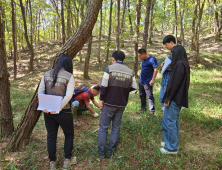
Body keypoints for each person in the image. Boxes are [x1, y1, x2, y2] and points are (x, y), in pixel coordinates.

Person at [96, 51, 137, 158]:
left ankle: (101, 152)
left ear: (113, 59)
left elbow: (104, 86)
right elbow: (134, 86)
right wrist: (123, 91)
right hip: (122, 103)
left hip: (109, 102)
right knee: (116, 127)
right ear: (123, 60)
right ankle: (111, 151)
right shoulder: (130, 72)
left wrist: (101, 99)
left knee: (104, 127)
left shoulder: (109, 69)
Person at [38, 54, 75, 169]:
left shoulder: (46, 74)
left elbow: (40, 91)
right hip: (64, 112)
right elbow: (69, 95)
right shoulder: (69, 76)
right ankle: (67, 161)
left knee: (51, 135)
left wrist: (44, 106)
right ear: (69, 64)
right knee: (69, 134)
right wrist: (58, 108)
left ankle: (52, 162)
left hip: (47, 112)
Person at [160, 45, 190, 154]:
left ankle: (171, 148)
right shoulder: (184, 64)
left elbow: (174, 84)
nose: (171, 56)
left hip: (173, 98)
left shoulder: (179, 65)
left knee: (168, 121)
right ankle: (171, 142)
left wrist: (167, 98)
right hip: (177, 98)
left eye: (172, 54)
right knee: (174, 120)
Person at [136, 48, 158, 115]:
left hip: (148, 81)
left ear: (144, 54)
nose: (139, 57)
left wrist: (152, 80)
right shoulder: (143, 60)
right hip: (141, 81)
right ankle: (143, 108)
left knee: (149, 96)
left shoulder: (152, 59)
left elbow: (155, 69)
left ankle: (152, 110)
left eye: (140, 56)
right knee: (142, 95)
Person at [159, 35, 176, 110]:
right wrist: (164, 63)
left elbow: (176, 67)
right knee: (161, 98)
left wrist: (166, 66)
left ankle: (169, 115)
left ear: (171, 42)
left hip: (169, 81)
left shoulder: (177, 53)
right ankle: (166, 114)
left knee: (166, 100)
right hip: (164, 80)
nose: (166, 46)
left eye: (166, 44)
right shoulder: (171, 53)